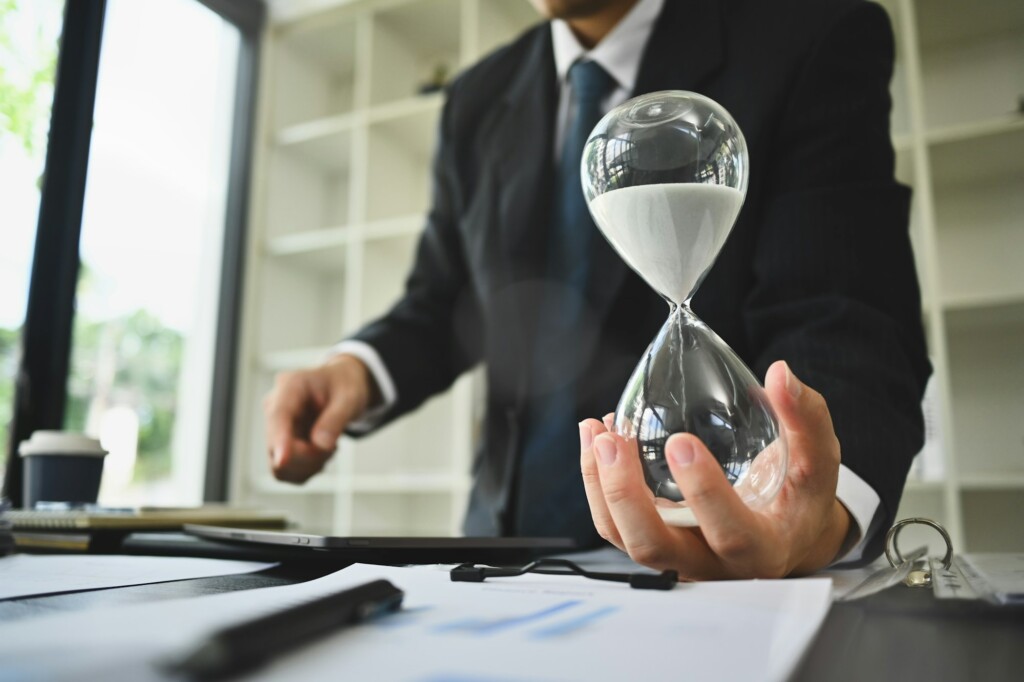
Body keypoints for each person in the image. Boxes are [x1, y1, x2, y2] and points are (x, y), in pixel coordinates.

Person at [264, 0, 931, 579]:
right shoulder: (475, 98)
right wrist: (354, 370)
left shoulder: (807, 36)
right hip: (502, 550)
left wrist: (814, 508)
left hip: (722, 546)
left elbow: (845, 308)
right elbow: (445, 301)